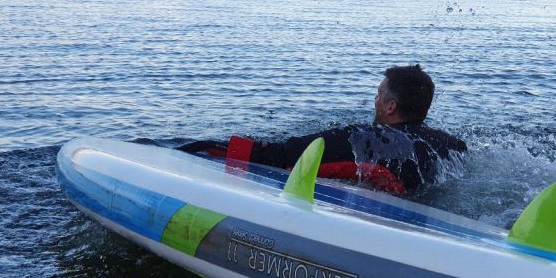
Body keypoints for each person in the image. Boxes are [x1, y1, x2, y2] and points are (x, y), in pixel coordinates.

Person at [178, 65, 466, 194]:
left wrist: (198, 148)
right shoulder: (449, 145)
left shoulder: (365, 139)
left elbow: (279, 155)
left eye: (379, 95)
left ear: (390, 107)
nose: (375, 100)